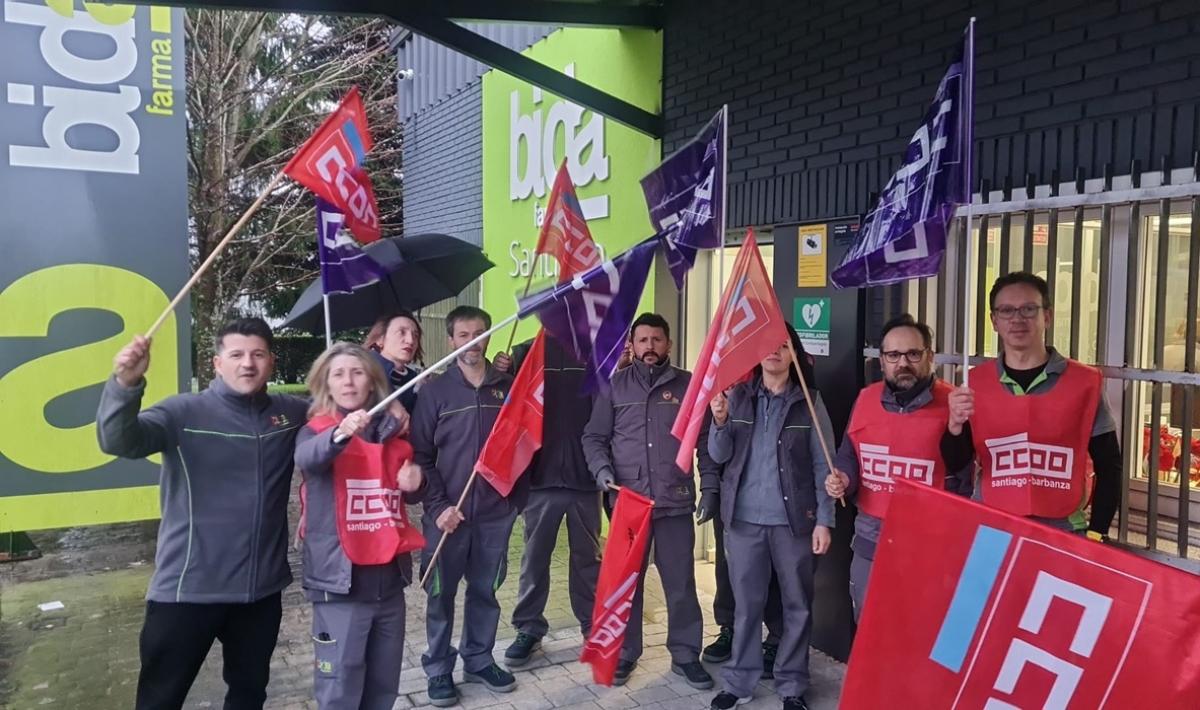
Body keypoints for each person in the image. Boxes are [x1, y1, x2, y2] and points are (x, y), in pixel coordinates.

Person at [97, 317, 309, 710]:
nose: (248, 363)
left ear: (272, 362)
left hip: (260, 593)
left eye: (258, 354)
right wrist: (125, 384)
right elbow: (117, 440)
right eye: (236, 354)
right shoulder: (182, 413)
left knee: (249, 697)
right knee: (160, 700)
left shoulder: (290, 413)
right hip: (187, 591)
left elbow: (342, 411)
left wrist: (391, 410)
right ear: (217, 363)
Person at [581, 313, 717, 690]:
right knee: (628, 583)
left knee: (680, 584)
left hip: (674, 501)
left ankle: (686, 654)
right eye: (643, 340)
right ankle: (626, 653)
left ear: (669, 345)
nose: (650, 347)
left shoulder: (689, 386)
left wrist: (711, 487)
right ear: (633, 345)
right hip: (628, 503)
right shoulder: (613, 387)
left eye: (657, 340)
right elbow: (593, 438)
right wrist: (603, 474)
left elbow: (704, 441)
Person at [705, 326, 834, 710]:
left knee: (797, 605)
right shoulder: (738, 397)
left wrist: (824, 520)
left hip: (794, 522)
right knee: (746, 606)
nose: (774, 352)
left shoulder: (809, 402)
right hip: (743, 522)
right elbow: (718, 454)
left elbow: (822, 466)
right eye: (767, 345)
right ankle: (739, 681)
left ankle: (792, 685)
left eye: (783, 345)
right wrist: (720, 420)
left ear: (795, 354)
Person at [295, 342, 427, 710]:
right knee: (339, 688)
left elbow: (407, 494)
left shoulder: (394, 434)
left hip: (389, 585)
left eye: (357, 373)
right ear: (327, 383)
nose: (349, 381)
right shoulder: (316, 431)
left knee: (384, 686)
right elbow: (308, 457)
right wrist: (340, 434)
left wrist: (418, 481)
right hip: (339, 588)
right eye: (338, 374)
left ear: (372, 382)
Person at [943, 271, 1121, 537]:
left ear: (1046, 316)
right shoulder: (974, 383)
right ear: (994, 321)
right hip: (992, 524)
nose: (1017, 319)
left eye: (1028, 309)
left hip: (1063, 528)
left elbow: (1109, 465)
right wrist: (954, 425)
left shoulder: (1084, 383)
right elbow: (957, 463)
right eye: (1006, 310)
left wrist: (1098, 532)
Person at [411, 306, 528, 706]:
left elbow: (524, 446)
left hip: (495, 514)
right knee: (440, 596)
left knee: (485, 590)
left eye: (479, 333)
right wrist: (439, 506)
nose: (472, 342)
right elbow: (421, 456)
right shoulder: (434, 392)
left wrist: (515, 500)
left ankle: (478, 658)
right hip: (447, 518)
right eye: (464, 335)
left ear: (489, 337)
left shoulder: (509, 389)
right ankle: (439, 668)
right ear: (451, 341)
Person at [825, 314, 966, 621]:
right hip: (870, 542)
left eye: (913, 354)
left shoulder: (955, 405)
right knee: (870, 630)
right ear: (881, 360)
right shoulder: (864, 399)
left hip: (930, 547)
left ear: (930, 356)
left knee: (923, 633)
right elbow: (848, 455)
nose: (903, 363)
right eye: (893, 355)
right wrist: (843, 478)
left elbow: (967, 480)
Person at [501, 336, 602, 666]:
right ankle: (529, 628)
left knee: (588, 560)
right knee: (534, 560)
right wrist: (500, 370)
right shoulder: (526, 352)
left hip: (585, 479)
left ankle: (593, 625)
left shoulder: (597, 353)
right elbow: (504, 402)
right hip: (541, 479)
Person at [364, 311, 426, 413]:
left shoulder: (415, 379)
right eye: (401, 332)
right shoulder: (366, 374)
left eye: (415, 335)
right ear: (380, 339)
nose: (410, 340)